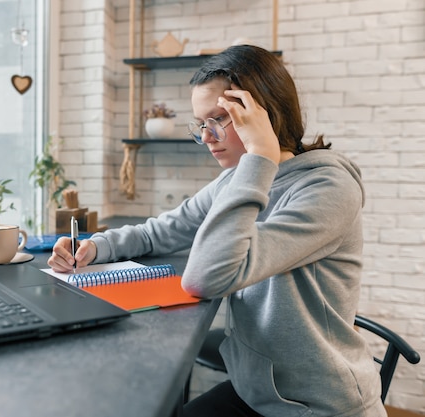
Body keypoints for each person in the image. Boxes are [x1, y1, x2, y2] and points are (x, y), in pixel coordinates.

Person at [48, 45, 386, 417]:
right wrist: (94, 246)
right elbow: (161, 231)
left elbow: (207, 277)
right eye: (200, 123)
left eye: (218, 119)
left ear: (264, 114)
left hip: (318, 404)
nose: (206, 137)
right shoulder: (235, 180)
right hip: (254, 391)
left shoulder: (328, 189)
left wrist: (260, 156)